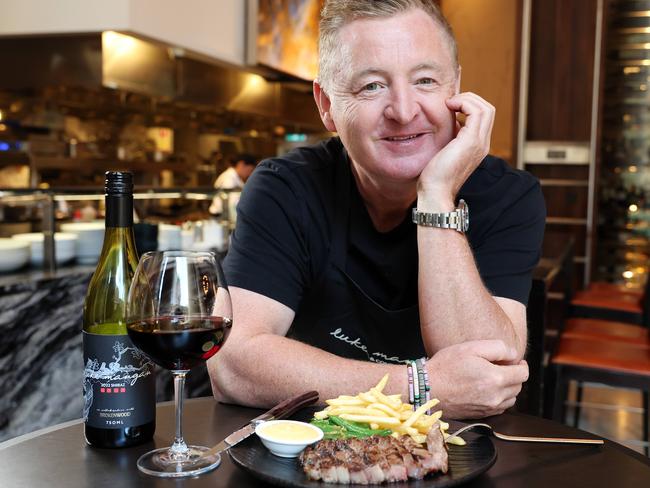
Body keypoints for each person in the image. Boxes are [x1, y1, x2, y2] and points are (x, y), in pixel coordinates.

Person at [208, 0, 545, 419]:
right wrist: (421, 387)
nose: (403, 112)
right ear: (326, 104)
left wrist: (436, 193)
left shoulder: (509, 196)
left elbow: (487, 380)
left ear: (455, 88)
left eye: (425, 80)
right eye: (372, 86)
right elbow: (234, 366)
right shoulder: (286, 187)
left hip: (463, 459)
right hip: (315, 455)